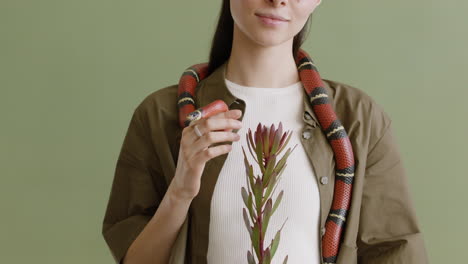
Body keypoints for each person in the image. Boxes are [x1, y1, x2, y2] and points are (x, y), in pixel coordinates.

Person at [102, 0, 429, 263]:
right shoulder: (158, 116)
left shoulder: (360, 119)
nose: (278, 0)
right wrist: (180, 192)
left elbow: (395, 250)